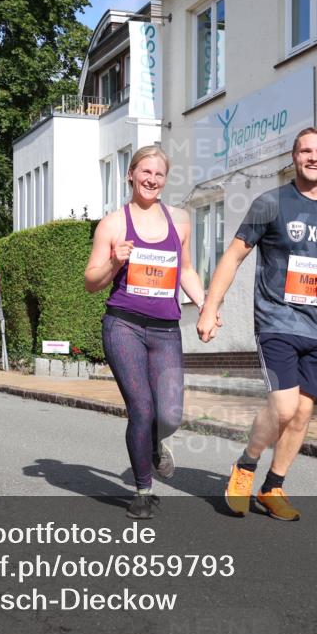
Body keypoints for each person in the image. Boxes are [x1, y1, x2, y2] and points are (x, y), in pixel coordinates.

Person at [197, 127, 317, 521]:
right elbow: (233, 258)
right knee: (284, 405)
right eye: (305, 150)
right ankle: (245, 466)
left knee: (303, 414)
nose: (313, 157)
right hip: (276, 321)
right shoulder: (270, 203)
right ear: (294, 157)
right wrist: (210, 306)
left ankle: (273, 487)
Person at [84, 145, 216, 520]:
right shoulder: (113, 224)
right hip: (123, 324)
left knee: (170, 414)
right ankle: (143, 490)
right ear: (131, 174)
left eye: (159, 174)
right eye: (145, 172)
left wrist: (207, 305)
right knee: (141, 408)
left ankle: (156, 442)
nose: (152, 180)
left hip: (165, 329)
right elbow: (91, 282)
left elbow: (187, 271)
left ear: (165, 180)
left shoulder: (180, 221)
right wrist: (115, 260)